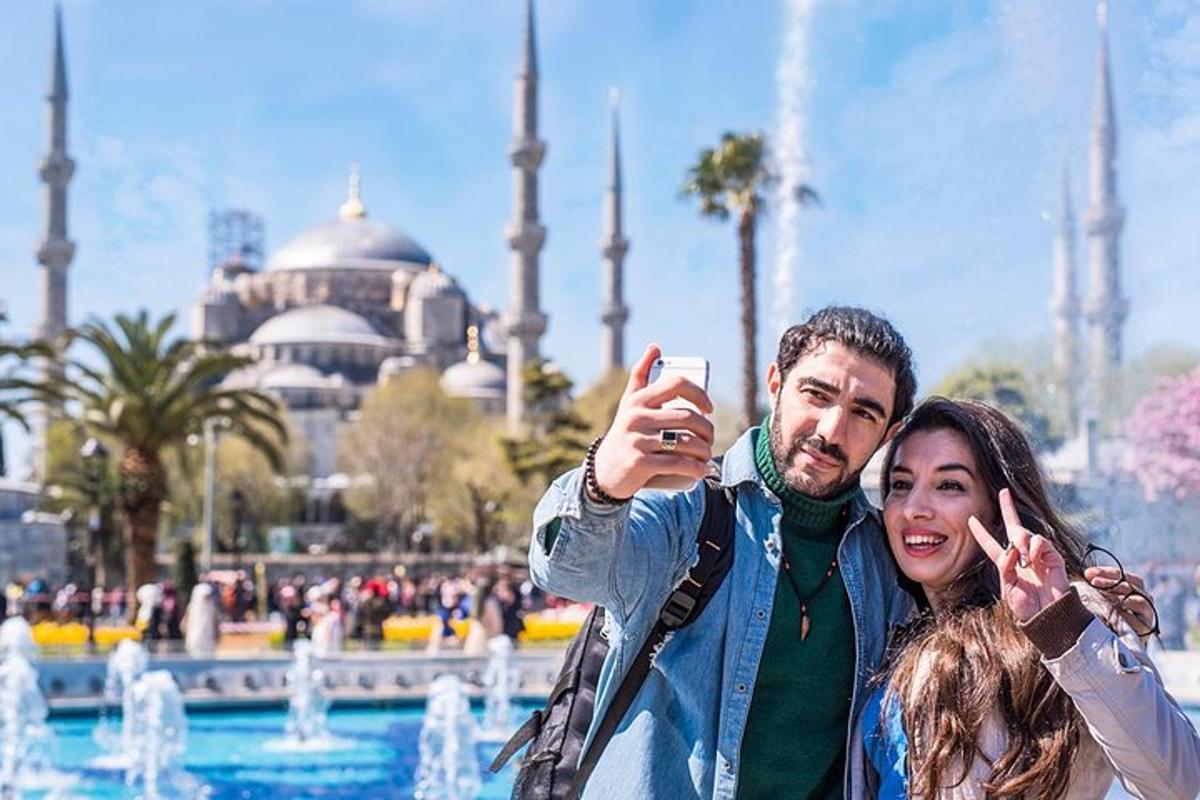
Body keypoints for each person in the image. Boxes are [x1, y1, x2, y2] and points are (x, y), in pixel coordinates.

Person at [529, 307, 920, 798]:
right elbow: (565, 570)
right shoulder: (689, 508)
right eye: (816, 395)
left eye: (864, 412)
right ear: (775, 384)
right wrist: (602, 483)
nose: (831, 430)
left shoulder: (886, 557)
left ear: (889, 433)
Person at [861, 398, 1200, 799]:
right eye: (901, 485)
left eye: (949, 485)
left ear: (998, 506)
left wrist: (1070, 635)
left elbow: (1176, 783)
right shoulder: (895, 622)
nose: (915, 508)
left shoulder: (1064, 612)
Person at [182, 582, 220, 658]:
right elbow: (183, 625)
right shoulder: (192, 607)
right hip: (194, 641)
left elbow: (216, 623)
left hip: (208, 641)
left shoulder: (212, 607)